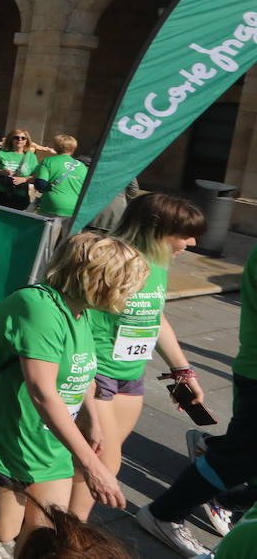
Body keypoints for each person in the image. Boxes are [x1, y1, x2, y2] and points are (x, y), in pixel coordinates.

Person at [0, 232, 148, 558]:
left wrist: (91, 420)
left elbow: (82, 373)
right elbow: (43, 392)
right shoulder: (38, 308)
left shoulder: (82, 310)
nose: (132, 294)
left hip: (50, 447)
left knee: (45, 540)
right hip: (8, 441)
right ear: (96, 280)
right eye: (125, 284)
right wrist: (92, 466)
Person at [69, 195, 207, 521]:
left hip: (131, 377)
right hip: (95, 374)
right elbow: (72, 315)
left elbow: (154, 317)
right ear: (157, 229)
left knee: (83, 464)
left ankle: (58, 528)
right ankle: (64, 539)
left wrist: (182, 371)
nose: (192, 242)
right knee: (104, 463)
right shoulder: (110, 261)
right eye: (184, 233)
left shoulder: (159, 264)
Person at [32, 135, 89, 217]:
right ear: (73, 149)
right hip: (76, 208)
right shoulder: (82, 166)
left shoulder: (48, 161)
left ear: (55, 148)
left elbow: (40, 184)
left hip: (52, 206)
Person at [0, 128, 39, 210]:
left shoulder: (31, 157)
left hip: (20, 195)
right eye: (16, 137)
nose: (20, 140)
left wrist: (24, 179)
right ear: (11, 140)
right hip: (0, 192)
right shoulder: (1, 153)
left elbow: (36, 177)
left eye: (23, 138)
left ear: (27, 141)